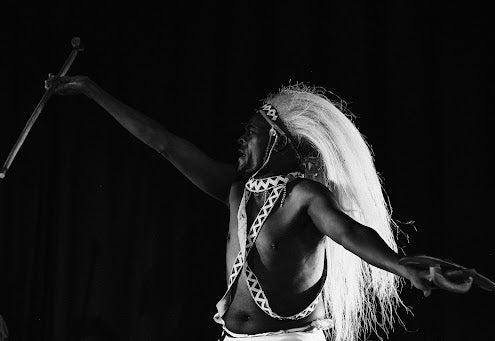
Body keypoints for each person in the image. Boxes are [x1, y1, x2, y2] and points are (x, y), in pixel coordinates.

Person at [46, 76, 433, 341]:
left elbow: (349, 232)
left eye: (250, 131)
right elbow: (164, 143)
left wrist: (399, 265)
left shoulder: (305, 196)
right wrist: (92, 91)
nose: (240, 139)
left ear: (278, 140)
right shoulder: (238, 192)